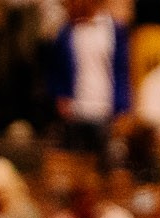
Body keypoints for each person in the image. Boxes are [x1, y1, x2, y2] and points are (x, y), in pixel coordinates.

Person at [47, 0, 128, 152]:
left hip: (105, 110)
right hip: (74, 110)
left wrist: (122, 106)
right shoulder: (67, 32)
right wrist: (60, 95)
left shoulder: (113, 29)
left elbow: (121, 70)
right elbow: (56, 68)